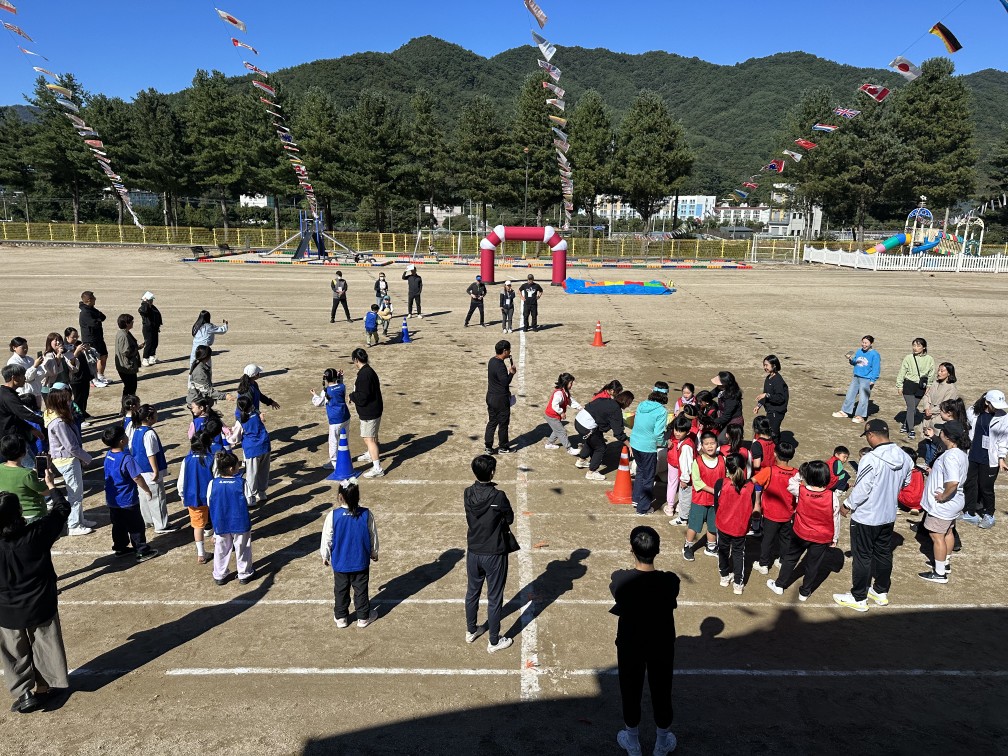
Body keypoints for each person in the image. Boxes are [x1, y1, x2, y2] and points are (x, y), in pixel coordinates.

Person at [0, 475, 71, 715]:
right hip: (40, 602)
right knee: (45, 643)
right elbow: (62, 509)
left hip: (6, 609)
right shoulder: (36, 533)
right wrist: (51, 486)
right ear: (19, 513)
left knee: (13, 651)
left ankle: (24, 693)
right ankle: (45, 686)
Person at [610, 529, 680, 756]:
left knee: (630, 689)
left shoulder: (621, 580)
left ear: (632, 550)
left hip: (631, 643)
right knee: (662, 689)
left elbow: (616, 580)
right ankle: (661, 743)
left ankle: (633, 742)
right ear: (657, 550)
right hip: (661, 642)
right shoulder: (670, 581)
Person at [833, 419, 913, 612]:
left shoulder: (870, 458)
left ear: (871, 435)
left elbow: (863, 488)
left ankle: (858, 597)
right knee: (884, 553)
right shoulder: (905, 457)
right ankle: (880, 591)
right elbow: (906, 483)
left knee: (862, 557)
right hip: (888, 515)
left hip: (866, 516)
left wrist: (847, 505)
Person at [463, 454, 515, 654]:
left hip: (473, 551)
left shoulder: (467, 493)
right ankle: (494, 641)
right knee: (494, 597)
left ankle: (471, 630)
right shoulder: (498, 496)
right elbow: (509, 519)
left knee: (472, 592)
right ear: (492, 472)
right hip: (494, 553)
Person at [767, 460, 839, 600]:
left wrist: (801, 474)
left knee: (790, 558)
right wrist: (834, 538)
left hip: (800, 533)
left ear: (808, 476)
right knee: (813, 565)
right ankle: (805, 592)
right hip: (821, 537)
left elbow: (791, 483)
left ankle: (779, 585)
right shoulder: (832, 497)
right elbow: (835, 519)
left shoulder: (801, 491)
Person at [320, 481, 379, 628]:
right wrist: (374, 552)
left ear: (340, 496)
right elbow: (372, 535)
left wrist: (325, 555)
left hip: (341, 563)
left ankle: (341, 618)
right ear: (357, 496)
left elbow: (327, 537)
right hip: (360, 561)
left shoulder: (333, 515)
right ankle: (363, 617)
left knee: (341, 590)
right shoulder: (366, 514)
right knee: (361, 590)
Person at [919, 421, 970, 584]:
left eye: (942, 431)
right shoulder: (961, 453)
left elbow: (953, 482)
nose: (939, 433)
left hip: (943, 505)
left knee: (937, 536)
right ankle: (945, 563)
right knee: (948, 532)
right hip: (955, 502)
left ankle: (939, 573)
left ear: (947, 436)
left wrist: (943, 496)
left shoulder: (951, 456)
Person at [43, 387, 95, 534]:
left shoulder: (55, 416)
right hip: (67, 460)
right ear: (60, 402)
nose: (70, 402)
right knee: (75, 494)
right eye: (66, 400)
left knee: (77, 492)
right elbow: (71, 446)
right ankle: (74, 525)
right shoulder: (59, 422)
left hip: (65, 459)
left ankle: (80, 519)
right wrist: (87, 458)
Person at [101, 425, 157, 562]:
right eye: (125, 436)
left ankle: (120, 548)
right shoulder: (126, 458)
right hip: (127, 499)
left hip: (113, 499)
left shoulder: (109, 455)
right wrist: (147, 489)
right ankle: (141, 550)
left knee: (118, 525)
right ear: (122, 441)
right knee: (136, 525)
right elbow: (136, 477)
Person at [714, 454, 760, 594]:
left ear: (727, 468)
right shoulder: (751, 487)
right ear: (744, 467)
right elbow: (753, 506)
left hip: (723, 525)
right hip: (740, 527)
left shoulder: (721, 483)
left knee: (723, 550)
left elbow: (716, 505)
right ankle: (738, 584)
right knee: (739, 553)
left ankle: (724, 576)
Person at [962, 390, 1008, 530]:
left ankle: (989, 514)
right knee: (970, 483)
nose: (998, 408)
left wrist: (1001, 458)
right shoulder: (972, 412)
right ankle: (970, 512)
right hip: (972, 454)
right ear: (987, 402)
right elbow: (966, 428)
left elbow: (1003, 439)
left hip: (990, 459)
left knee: (986, 488)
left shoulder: (1004, 417)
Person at [751, 440, 798, 574]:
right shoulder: (796, 473)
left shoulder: (769, 470)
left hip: (771, 514)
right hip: (788, 513)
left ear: (775, 454)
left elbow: (754, 481)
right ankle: (782, 561)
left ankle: (764, 564)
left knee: (767, 539)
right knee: (785, 539)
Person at [207, 451, 254, 585]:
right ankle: (244, 574)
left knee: (221, 549)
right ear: (232, 468)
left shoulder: (213, 483)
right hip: (240, 521)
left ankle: (219, 575)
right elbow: (250, 501)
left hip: (220, 521)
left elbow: (210, 502)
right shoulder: (242, 483)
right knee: (243, 548)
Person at [129, 404, 174, 534]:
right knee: (157, 497)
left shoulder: (136, 430)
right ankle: (161, 525)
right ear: (149, 418)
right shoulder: (149, 433)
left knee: (144, 496)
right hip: (149, 471)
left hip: (140, 470)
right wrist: (155, 470)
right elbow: (151, 454)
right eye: (155, 414)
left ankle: (147, 520)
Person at [575, 382, 632, 481]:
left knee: (593, 441)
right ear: (626, 402)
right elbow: (618, 433)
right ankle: (591, 472)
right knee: (600, 447)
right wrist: (629, 445)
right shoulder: (616, 410)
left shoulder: (606, 400)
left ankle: (581, 460)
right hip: (587, 426)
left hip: (578, 420)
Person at [629, 382, 670, 515]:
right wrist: (665, 442)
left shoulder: (642, 404)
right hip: (647, 447)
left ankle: (636, 499)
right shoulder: (662, 411)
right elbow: (658, 433)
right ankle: (643, 508)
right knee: (648, 478)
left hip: (635, 442)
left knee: (641, 471)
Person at [683, 430, 724, 560]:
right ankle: (688, 546)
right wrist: (715, 491)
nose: (710, 446)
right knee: (694, 526)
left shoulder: (722, 460)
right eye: (706, 444)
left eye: (712, 443)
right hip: (700, 500)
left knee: (713, 525)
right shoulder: (697, 462)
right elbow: (697, 482)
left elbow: (727, 476)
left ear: (717, 444)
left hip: (716, 501)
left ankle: (711, 546)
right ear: (702, 446)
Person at [177, 432, 216, 565]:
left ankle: (201, 554)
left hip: (193, 498)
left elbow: (181, 481)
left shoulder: (186, 460)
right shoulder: (212, 459)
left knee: (198, 526)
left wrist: (182, 495)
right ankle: (218, 541)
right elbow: (216, 478)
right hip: (211, 497)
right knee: (216, 519)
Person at [348, 348, 385, 479]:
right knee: (373, 436)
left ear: (356, 360)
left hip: (370, 412)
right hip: (375, 409)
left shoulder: (364, 375)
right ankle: (370, 454)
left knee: (368, 439)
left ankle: (377, 468)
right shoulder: (369, 371)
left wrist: (352, 396)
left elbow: (363, 397)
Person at [230, 395, 272, 507]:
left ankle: (251, 498)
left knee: (251, 474)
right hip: (265, 445)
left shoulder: (241, 420)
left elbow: (235, 438)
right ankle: (262, 493)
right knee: (264, 471)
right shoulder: (256, 415)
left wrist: (228, 436)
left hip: (252, 449)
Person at [0, 434, 49, 525]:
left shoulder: (1, 468)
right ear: (23, 453)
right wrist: (49, 477)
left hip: (13, 515)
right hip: (34, 515)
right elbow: (46, 491)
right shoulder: (27, 474)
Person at [833, 335, 880, 424]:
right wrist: (851, 360)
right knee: (850, 394)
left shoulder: (875, 354)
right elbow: (855, 362)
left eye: (866, 343)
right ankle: (845, 412)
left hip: (866, 379)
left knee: (863, 398)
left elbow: (876, 369)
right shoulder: (859, 351)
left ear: (871, 343)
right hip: (856, 377)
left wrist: (873, 380)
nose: (864, 345)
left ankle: (860, 416)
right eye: (863, 342)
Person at [311, 368, 351, 473]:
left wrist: (314, 395)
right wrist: (340, 377)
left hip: (335, 420)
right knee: (344, 439)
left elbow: (318, 403)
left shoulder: (326, 391)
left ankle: (334, 463)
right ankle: (345, 459)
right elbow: (339, 386)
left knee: (333, 442)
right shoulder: (342, 386)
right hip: (345, 416)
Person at [0, 365, 44, 459]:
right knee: (29, 466)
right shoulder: (8, 396)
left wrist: (31, 428)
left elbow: (14, 418)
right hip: (11, 442)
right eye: (23, 375)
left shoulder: (5, 393)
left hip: (9, 440)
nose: (25, 378)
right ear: (14, 378)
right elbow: (27, 413)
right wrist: (47, 420)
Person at [895, 338, 936, 440]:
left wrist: (929, 385)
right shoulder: (908, 358)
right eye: (914, 345)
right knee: (911, 407)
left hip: (921, 386)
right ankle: (911, 429)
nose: (915, 348)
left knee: (913, 408)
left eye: (918, 346)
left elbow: (931, 373)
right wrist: (899, 386)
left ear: (924, 347)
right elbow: (902, 372)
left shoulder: (929, 359)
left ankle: (905, 425)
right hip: (909, 385)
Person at [483, 340, 517, 455]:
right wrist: (511, 373)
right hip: (501, 400)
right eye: (509, 350)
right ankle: (503, 447)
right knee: (503, 424)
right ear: (504, 351)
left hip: (490, 396)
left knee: (492, 422)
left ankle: (488, 447)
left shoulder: (492, 361)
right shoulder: (500, 366)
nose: (510, 352)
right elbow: (505, 382)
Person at [664, 414, 696, 524]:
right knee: (682, 494)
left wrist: (684, 479)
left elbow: (687, 464)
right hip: (681, 470)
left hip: (682, 472)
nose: (677, 433)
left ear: (687, 432)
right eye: (676, 430)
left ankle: (680, 516)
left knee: (681, 492)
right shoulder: (687, 441)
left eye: (681, 431)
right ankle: (679, 510)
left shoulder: (686, 446)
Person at [921, 362, 959, 445]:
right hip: (928, 416)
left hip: (939, 418)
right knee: (926, 440)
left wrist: (931, 411)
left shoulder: (951, 388)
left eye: (942, 371)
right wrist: (926, 408)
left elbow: (945, 405)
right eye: (938, 370)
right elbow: (927, 395)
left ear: (949, 373)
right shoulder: (935, 383)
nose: (939, 373)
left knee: (936, 443)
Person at [544, 373, 582, 453]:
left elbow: (570, 401)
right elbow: (554, 405)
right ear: (565, 383)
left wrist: (580, 408)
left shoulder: (565, 392)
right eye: (571, 383)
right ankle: (569, 449)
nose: (572, 385)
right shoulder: (559, 393)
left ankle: (549, 444)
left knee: (557, 430)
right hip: (552, 416)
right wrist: (561, 412)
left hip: (554, 416)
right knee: (562, 431)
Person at [78, 291, 110, 387]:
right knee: (92, 360)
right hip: (90, 339)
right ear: (89, 300)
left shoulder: (92, 309)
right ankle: (93, 379)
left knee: (103, 355)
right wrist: (98, 319)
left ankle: (100, 376)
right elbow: (95, 324)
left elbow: (103, 317)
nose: (95, 299)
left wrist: (98, 318)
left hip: (98, 337)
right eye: (93, 298)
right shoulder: (85, 312)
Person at [753, 355, 789, 439]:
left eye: (766, 365)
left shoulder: (778, 380)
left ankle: (775, 446)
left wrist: (766, 395)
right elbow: (765, 394)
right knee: (771, 430)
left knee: (773, 433)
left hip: (777, 411)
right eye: (764, 365)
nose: (765, 367)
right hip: (770, 410)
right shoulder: (768, 378)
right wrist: (758, 406)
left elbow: (780, 398)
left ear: (774, 365)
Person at [63, 328, 93, 424]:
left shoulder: (77, 344)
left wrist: (86, 348)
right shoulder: (64, 348)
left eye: (77, 336)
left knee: (85, 395)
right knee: (78, 398)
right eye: (73, 337)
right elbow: (70, 363)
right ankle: (79, 418)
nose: (75, 338)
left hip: (84, 374)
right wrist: (76, 351)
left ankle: (83, 412)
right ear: (67, 337)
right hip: (75, 377)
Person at [703, 371, 744, 443]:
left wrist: (711, 421)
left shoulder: (732, 398)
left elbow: (726, 416)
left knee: (721, 440)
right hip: (724, 419)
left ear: (725, 384)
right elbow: (710, 395)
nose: (717, 385)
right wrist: (701, 398)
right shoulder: (720, 388)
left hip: (733, 422)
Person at [6, 338, 43, 409]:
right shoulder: (13, 362)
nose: (25, 349)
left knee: (37, 411)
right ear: (14, 348)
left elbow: (41, 373)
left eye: (26, 347)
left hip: (35, 391)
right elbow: (25, 378)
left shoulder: (30, 359)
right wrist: (34, 366)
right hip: (24, 393)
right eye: (23, 347)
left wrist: (36, 368)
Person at [114, 313, 142, 400]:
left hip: (126, 366)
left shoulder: (124, 333)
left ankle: (128, 404)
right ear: (126, 323)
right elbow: (126, 352)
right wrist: (136, 349)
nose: (133, 323)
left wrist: (137, 347)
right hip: (127, 367)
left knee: (130, 387)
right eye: (131, 321)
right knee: (130, 387)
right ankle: (127, 404)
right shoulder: (123, 335)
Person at [137, 291, 162, 366]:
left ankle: (152, 357)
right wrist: (145, 303)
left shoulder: (153, 307)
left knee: (155, 343)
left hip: (154, 328)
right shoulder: (144, 307)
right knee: (149, 343)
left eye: (152, 300)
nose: (151, 301)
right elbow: (143, 311)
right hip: (147, 328)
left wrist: (158, 326)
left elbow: (157, 316)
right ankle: (145, 358)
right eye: (150, 300)